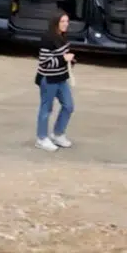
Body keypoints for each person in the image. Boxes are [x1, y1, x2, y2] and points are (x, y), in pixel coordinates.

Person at [34, 12, 75, 151]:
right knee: (46, 108)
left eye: (67, 21)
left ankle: (58, 134)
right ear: (56, 22)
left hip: (61, 78)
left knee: (68, 106)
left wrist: (70, 60)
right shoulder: (47, 39)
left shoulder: (62, 37)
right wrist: (64, 59)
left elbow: (62, 56)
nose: (65, 24)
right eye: (62, 21)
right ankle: (41, 138)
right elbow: (45, 62)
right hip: (48, 79)